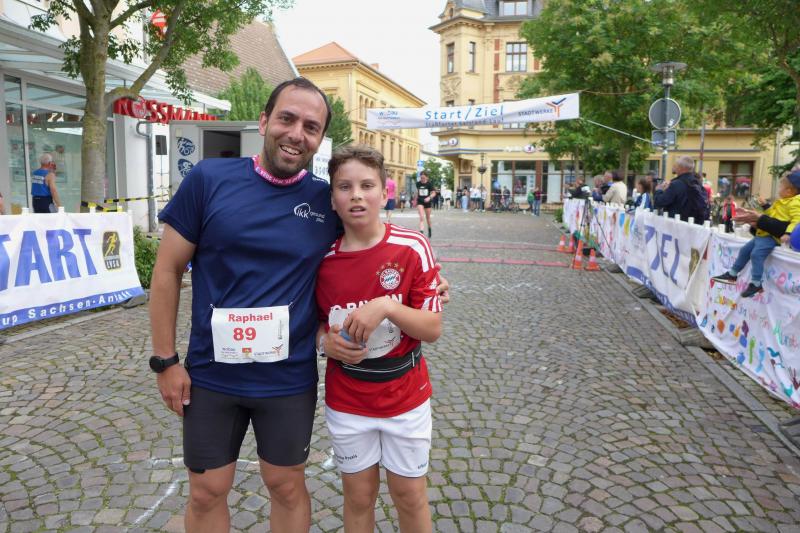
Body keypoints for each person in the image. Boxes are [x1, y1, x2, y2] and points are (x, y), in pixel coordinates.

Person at [149, 77, 451, 532]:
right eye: (286, 119)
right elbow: (167, 271)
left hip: (287, 376)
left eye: (311, 127)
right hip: (213, 372)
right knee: (207, 490)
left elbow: (367, 248)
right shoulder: (208, 180)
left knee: (286, 486)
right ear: (264, 121)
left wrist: (426, 287)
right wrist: (165, 360)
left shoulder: (326, 200)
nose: (296, 134)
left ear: (320, 139)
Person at [315, 145, 442, 533]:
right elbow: (314, 323)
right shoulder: (320, 259)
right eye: (344, 187)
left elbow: (432, 328)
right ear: (332, 199)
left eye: (366, 185)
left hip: (405, 396)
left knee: (410, 497)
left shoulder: (412, 247)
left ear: (385, 192)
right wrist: (324, 343)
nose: (356, 195)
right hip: (348, 399)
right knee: (358, 499)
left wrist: (386, 306)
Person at [711, 171, 800, 297]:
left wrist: (788, 233)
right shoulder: (784, 201)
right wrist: (765, 206)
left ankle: (756, 283)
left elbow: (797, 220)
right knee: (744, 250)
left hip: (771, 237)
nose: (778, 189)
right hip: (764, 234)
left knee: (756, 254)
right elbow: (772, 215)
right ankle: (732, 274)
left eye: (781, 186)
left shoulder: (795, 202)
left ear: (789, 191)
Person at [653, 156, 708, 225]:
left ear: (680, 168)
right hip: (693, 224)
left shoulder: (676, 184)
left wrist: (659, 190)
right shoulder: (697, 182)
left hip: (676, 225)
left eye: (675, 165)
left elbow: (660, 202)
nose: (674, 167)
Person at [415, 171, 435, 237]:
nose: (422, 179)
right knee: (421, 217)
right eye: (421, 178)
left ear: (427, 177)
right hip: (420, 201)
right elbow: (417, 192)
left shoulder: (429, 184)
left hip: (427, 202)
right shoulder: (418, 183)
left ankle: (429, 229)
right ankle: (421, 232)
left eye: (423, 178)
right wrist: (415, 200)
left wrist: (429, 198)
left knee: (428, 218)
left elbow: (434, 193)